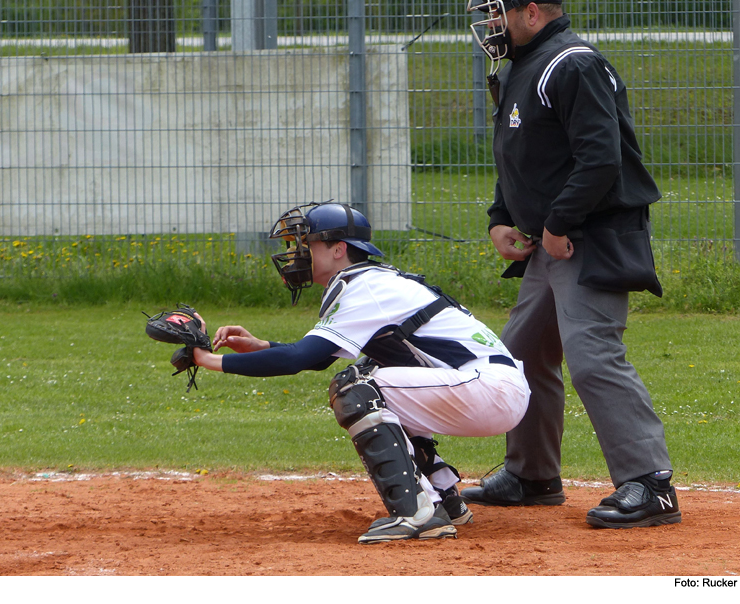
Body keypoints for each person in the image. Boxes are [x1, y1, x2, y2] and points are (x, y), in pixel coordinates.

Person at [192, 201, 531, 543]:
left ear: (339, 249)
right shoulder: (369, 282)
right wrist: (263, 346)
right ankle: (445, 500)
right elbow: (318, 357)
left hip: (487, 389)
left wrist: (208, 360)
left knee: (356, 387)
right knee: (372, 373)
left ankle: (417, 512)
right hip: (490, 386)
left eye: (307, 244)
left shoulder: (364, 287)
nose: (298, 254)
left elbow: (298, 359)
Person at [461, 0, 681, 528]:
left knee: (593, 355)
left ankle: (651, 485)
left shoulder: (571, 63)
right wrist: (499, 217)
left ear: (532, 12)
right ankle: (533, 475)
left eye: (499, 13)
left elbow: (600, 156)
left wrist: (558, 222)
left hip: (591, 237)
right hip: (552, 241)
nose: (492, 25)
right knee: (519, 356)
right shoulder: (524, 66)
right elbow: (522, 156)